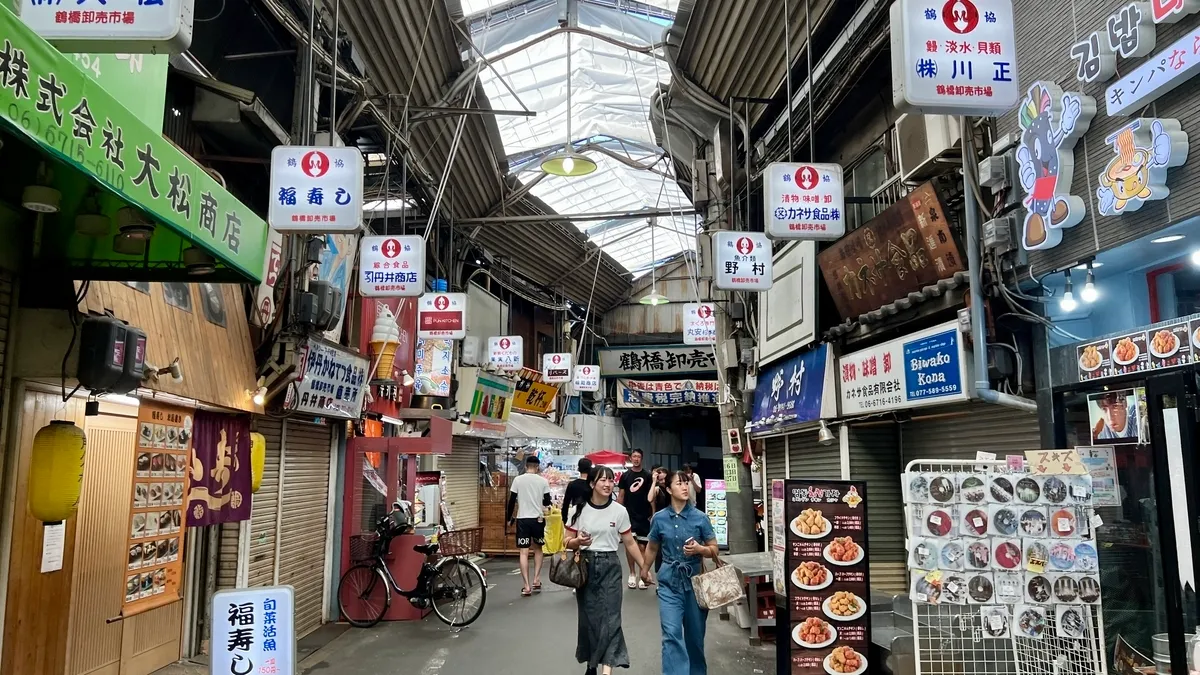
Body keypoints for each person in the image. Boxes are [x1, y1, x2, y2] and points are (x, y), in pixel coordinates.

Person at [567, 466, 652, 675]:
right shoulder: (578, 509)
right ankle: (591, 664)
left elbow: (630, 543)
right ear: (592, 484)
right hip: (585, 567)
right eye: (602, 480)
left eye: (611, 480)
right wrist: (578, 541)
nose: (607, 484)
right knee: (589, 619)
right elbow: (566, 542)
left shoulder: (619, 511)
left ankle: (607, 669)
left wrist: (644, 568)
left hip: (611, 566)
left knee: (611, 618)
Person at [644, 470, 719, 675]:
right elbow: (652, 547)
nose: (685, 487)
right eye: (679, 483)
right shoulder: (659, 519)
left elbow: (714, 549)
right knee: (671, 633)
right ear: (668, 489)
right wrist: (644, 570)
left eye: (686, 483)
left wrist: (700, 550)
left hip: (695, 582)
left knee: (695, 638)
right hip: (669, 581)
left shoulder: (700, 517)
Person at [507, 453, 551, 596]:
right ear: (537, 467)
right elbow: (547, 502)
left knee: (523, 552)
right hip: (538, 519)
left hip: (522, 520)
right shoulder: (543, 481)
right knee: (538, 549)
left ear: (526, 466)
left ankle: (526, 586)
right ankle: (536, 579)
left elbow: (511, 501)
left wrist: (508, 518)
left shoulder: (518, 480)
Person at [616, 449, 653, 589]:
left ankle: (643, 574)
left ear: (642, 458)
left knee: (643, 546)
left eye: (639, 456)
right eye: (634, 456)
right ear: (631, 458)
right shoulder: (625, 476)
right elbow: (621, 496)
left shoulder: (648, 476)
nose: (636, 458)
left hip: (644, 515)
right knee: (629, 545)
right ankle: (632, 573)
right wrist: (618, 513)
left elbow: (652, 496)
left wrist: (653, 512)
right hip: (628, 515)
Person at [564, 457, 594, 524]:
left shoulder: (572, 484)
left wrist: (565, 520)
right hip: (591, 516)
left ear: (579, 468)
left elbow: (566, 504)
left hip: (576, 516)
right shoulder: (593, 485)